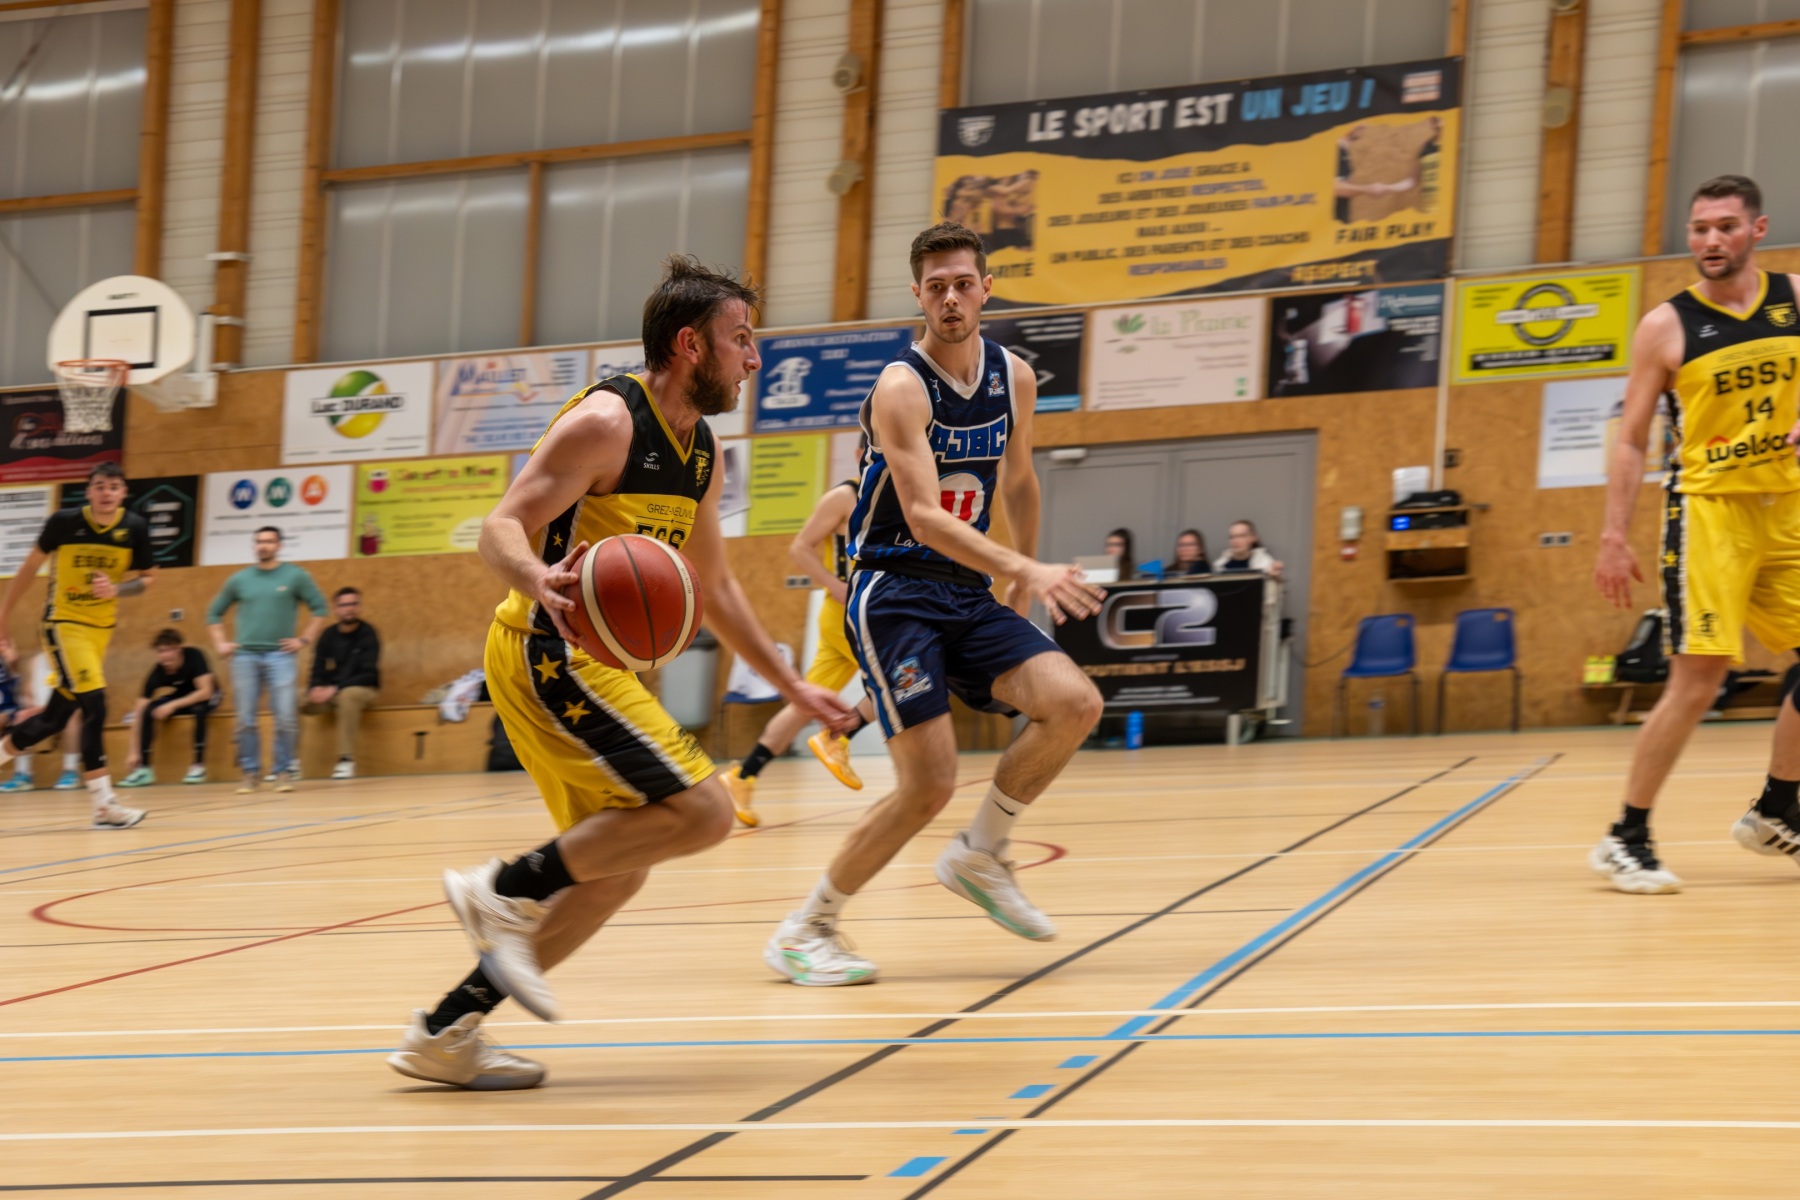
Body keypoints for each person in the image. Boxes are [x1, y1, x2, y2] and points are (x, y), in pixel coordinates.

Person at [386, 255, 853, 1091]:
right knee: (707, 812)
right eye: (741, 339)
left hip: (594, 667)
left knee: (617, 869)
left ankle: (445, 1033)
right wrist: (538, 577)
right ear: (690, 345)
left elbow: (715, 587)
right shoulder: (605, 422)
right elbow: (500, 526)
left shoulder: (701, 450)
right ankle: (501, 889)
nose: (753, 358)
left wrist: (792, 688)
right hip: (546, 648)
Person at [762, 220, 1104, 987]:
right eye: (937, 286)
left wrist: (1020, 581)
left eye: (964, 284)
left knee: (1075, 703)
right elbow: (921, 516)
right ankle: (805, 928)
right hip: (893, 590)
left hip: (967, 589)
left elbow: (1019, 478)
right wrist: (1026, 564)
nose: (951, 298)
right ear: (918, 294)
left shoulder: (1015, 376)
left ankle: (981, 852)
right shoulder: (901, 387)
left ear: (987, 289)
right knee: (928, 783)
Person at [1591, 173, 1800, 894]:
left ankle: (1777, 810)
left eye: (1725, 227)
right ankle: (1626, 836)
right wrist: (1613, 534)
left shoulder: (1794, 298)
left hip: (1787, 508)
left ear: (1757, 230)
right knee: (1698, 680)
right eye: (1700, 228)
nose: (1711, 240)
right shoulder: (1666, 326)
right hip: (1709, 514)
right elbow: (1630, 439)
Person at [0, 463, 155, 829]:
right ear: (88, 492)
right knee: (95, 706)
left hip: (100, 631)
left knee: (52, 720)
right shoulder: (64, 522)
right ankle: (104, 805)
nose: (106, 492)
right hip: (63, 624)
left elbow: (148, 579)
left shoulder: (134, 528)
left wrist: (117, 589)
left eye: (113, 486)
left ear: (123, 493)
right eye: (99, 486)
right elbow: (28, 568)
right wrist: (3, 616)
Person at [721, 476, 879, 826]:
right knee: (899, 682)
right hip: (846, 614)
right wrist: (834, 584)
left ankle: (743, 776)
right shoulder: (845, 495)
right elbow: (799, 548)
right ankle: (839, 737)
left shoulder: (890, 492)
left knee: (803, 705)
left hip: (858, 614)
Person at [205, 527, 328, 793]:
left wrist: (303, 640)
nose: (263, 546)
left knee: (285, 716)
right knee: (245, 719)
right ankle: (250, 773)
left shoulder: (295, 576)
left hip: (280, 655)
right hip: (245, 657)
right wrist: (220, 644)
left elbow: (320, 608)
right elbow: (214, 613)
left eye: (269, 541)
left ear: (279, 545)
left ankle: (282, 771)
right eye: (259, 541)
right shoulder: (240, 579)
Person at [120, 629, 218, 787]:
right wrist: (133, 751)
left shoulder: (194, 656)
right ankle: (144, 769)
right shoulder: (157, 672)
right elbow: (138, 712)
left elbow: (206, 692)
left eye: (169, 650)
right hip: (183, 696)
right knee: (148, 710)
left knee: (199, 710)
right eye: (160, 651)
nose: (165, 655)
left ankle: (198, 766)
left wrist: (172, 705)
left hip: (209, 696)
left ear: (179, 649)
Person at [303, 586, 381, 780]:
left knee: (348, 696)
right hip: (332, 692)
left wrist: (336, 688)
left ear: (359, 607)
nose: (349, 608)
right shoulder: (328, 635)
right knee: (291, 699)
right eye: (344, 605)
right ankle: (289, 763)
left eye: (354, 604)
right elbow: (317, 668)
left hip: (362, 690)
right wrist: (315, 688)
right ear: (336, 609)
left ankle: (346, 759)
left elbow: (368, 674)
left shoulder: (368, 634)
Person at [0, 654, 85, 793]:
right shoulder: (36, 660)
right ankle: (22, 774)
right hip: (39, 710)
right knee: (21, 716)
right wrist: (29, 707)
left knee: (72, 717)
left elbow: (73, 698)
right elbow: (27, 692)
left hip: (61, 710)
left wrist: (43, 710)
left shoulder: (70, 659)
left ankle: (70, 770)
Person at [1213, 519, 1284, 577]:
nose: (1236, 541)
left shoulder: (1265, 564)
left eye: (1242, 536)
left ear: (1253, 538)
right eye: (1232, 537)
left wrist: (1274, 577)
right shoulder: (1219, 565)